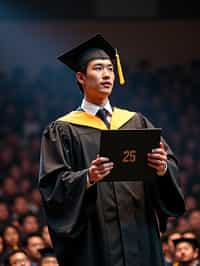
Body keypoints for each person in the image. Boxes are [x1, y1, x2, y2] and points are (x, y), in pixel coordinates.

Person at [39, 34, 185, 266]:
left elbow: (169, 166)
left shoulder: (136, 122)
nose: (107, 74)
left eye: (110, 68)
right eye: (98, 68)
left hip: (139, 231)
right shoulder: (63, 129)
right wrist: (87, 177)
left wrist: (162, 168)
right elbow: (52, 183)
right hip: (95, 239)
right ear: (80, 77)